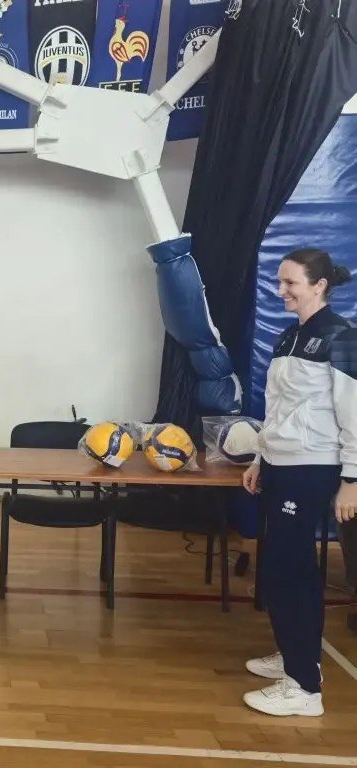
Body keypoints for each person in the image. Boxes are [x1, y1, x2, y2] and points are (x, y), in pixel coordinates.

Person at [242, 248, 357, 717]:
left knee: (290, 570)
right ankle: (295, 653)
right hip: (279, 463)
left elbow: (354, 412)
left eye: (290, 283)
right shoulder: (290, 335)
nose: (281, 291)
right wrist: (259, 457)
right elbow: (278, 408)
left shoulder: (341, 336)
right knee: (282, 566)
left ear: (319, 285)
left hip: (312, 466)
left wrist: (352, 479)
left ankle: (304, 687)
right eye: (280, 282)